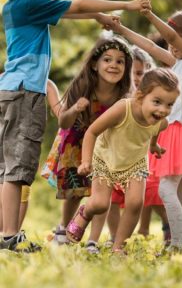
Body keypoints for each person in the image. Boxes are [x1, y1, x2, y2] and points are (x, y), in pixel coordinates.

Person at [0, 0, 150, 252]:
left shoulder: (15, 6)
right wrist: (127, 5)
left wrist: (97, 19)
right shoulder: (29, 3)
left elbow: (72, 12)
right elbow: (78, 4)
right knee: (17, 170)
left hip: (11, 92)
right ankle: (9, 235)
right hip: (25, 93)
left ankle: (7, 233)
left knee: (9, 168)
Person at [111, 7, 182, 251]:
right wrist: (121, 30)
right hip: (175, 131)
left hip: (181, 131)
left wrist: (149, 14)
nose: (172, 44)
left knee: (165, 188)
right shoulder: (180, 63)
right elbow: (151, 47)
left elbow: (170, 38)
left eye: (178, 36)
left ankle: (177, 245)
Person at [66, 68, 180, 254]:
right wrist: (86, 161)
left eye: (169, 104)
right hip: (105, 158)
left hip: (135, 163)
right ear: (140, 96)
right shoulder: (123, 108)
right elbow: (92, 132)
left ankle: (119, 247)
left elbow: (155, 131)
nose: (163, 110)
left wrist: (153, 146)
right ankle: (84, 212)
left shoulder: (162, 122)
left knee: (135, 203)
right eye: (157, 102)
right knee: (101, 203)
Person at [42, 36, 133, 253]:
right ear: (95, 64)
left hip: (105, 145)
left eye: (120, 61)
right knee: (75, 190)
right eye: (107, 60)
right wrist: (74, 109)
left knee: (102, 192)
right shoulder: (83, 85)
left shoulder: (124, 94)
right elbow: (63, 121)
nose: (113, 65)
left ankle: (93, 240)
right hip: (75, 140)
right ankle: (63, 229)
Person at [105, 47, 171, 246]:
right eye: (132, 72)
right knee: (112, 199)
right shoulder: (117, 96)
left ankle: (167, 226)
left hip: (139, 156)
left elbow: (159, 123)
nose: (135, 78)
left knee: (148, 195)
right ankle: (115, 236)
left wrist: (154, 144)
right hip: (114, 155)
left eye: (140, 73)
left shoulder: (151, 101)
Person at [0, 79, 61, 237]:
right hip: (6, 142)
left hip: (23, 144)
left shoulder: (45, 83)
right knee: (9, 183)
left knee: (21, 187)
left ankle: (11, 234)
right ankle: (9, 235)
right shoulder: (6, 80)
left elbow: (60, 112)